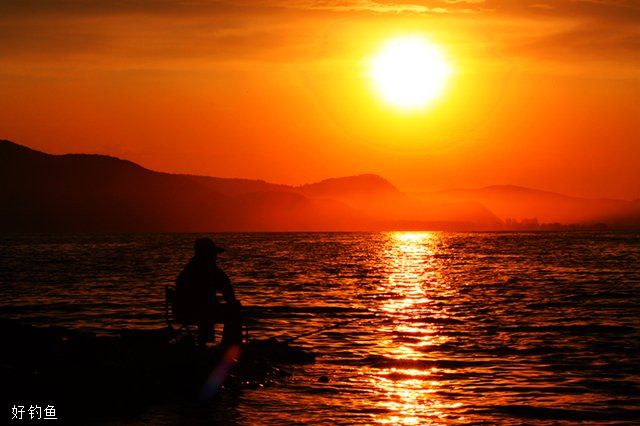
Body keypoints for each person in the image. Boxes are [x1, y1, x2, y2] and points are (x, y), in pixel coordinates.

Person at [174, 238, 242, 347]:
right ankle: (230, 346)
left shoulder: (188, 270)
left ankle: (205, 343)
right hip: (200, 312)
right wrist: (233, 303)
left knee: (208, 308)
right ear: (207, 254)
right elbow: (228, 291)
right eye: (213, 254)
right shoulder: (211, 271)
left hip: (182, 313)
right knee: (234, 311)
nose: (216, 257)